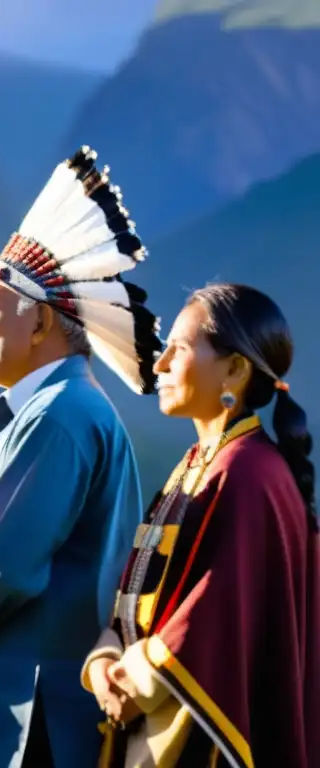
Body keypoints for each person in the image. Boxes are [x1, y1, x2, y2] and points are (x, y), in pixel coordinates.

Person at [0, 146, 163, 767]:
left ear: (40, 323)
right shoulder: (42, 413)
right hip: (1, 703)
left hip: (24, 716)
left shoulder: (61, 416)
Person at [81, 283, 319, 767]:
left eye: (181, 348)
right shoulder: (201, 462)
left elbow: (212, 618)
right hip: (153, 711)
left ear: (234, 368)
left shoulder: (249, 472)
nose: (161, 362)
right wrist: (105, 660)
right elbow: (141, 593)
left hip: (196, 732)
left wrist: (130, 681)